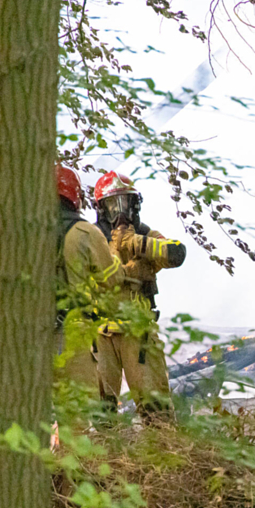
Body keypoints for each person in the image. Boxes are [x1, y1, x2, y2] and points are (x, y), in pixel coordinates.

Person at [92, 171, 186, 421]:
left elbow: (176, 254)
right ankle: (105, 459)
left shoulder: (145, 234)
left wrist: (137, 244)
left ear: (135, 205)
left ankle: (163, 454)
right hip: (100, 337)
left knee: (156, 410)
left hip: (139, 333)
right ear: (102, 209)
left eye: (125, 203)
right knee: (100, 414)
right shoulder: (92, 238)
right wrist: (127, 269)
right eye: (113, 205)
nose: (120, 213)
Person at [55, 164, 124, 397]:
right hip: (73, 335)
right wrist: (114, 252)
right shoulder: (84, 232)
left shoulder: (22, 235)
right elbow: (112, 279)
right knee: (75, 420)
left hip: (30, 337)